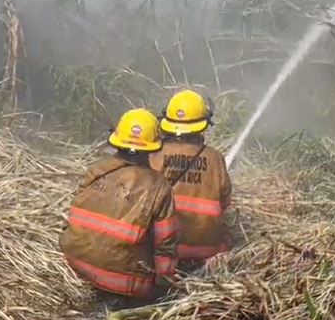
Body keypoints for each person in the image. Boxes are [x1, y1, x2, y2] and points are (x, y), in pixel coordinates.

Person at [59, 108, 179, 308]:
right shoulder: (160, 188)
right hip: (121, 282)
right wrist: (165, 288)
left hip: (74, 264)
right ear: (154, 146)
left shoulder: (96, 171)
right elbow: (166, 244)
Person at [150, 89, 232, 271]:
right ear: (204, 124)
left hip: (163, 248)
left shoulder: (154, 154)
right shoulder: (215, 158)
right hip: (206, 250)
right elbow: (226, 202)